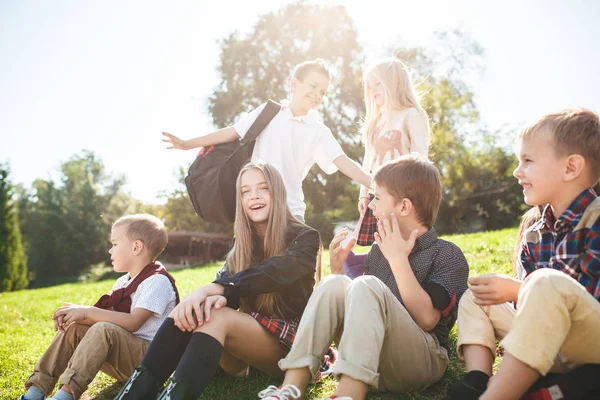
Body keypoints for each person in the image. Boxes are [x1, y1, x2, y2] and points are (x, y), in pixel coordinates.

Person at [258, 154, 469, 400]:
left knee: (367, 285)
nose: (370, 205)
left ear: (403, 207)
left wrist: (399, 260)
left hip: (423, 362)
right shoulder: (378, 252)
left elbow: (427, 320)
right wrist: (337, 270)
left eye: (377, 197)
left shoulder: (446, 254)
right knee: (335, 283)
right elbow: (362, 315)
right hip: (375, 363)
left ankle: (348, 395)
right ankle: (289, 389)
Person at [114, 162, 322, 399]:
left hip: (293, 347)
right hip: (247, 347)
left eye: (263, 188)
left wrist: (215, 289)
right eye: (245, 191)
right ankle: (134, 394)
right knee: (199, 309)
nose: (254, 196)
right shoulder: (241, 245)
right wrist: (200, 300)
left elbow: (274, 273)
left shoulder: (305, 238)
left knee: (213, 312)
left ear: (278, 192)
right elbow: (223, 291)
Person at [446, 109, 600, 400]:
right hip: (548, 344)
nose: (517, 171)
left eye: (527, 161)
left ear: (570, 168)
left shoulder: (596, 219)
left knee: (544, 282)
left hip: (590, 342)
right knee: (477, 296)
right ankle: (478, 380)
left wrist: (519, 289)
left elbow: (588, 301)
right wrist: (512, 292)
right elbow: (531, 311)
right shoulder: (534, 233)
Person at [162, 59, 371, 222]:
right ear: (294, 84)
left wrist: (374, 184)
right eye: (313, 86)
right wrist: (188, 143)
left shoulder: (318, 131)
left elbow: (341, 160)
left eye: (323, 92)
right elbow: (232, 132)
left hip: (291, 210)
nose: (317, 94)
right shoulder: (270, 112)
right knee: (245, 270)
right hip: (254, 208)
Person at [20, 214, 178, 400]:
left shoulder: (157, 281)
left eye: (115, 244)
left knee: (103, 329)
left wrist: (88, 311)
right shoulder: (123, 281)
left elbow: (133, 323)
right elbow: (108, 317)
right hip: (124, 359)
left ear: (136, 247)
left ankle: (65, 395)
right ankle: (35, 391)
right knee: (76, 327)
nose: (110, 250)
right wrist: (75, 315)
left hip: (150, 362)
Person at [355, 57, 430, 246]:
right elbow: (368, 160)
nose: (373, 91)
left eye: (378, 84)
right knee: (379, 243)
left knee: (402, 240)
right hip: (377, 194)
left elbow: (420, 158)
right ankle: (383, 274)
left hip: (401, 193)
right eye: (370, 87)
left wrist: (413, 194)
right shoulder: (375, 122)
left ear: (394, 83)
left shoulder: (410, 115)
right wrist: (364, 193)